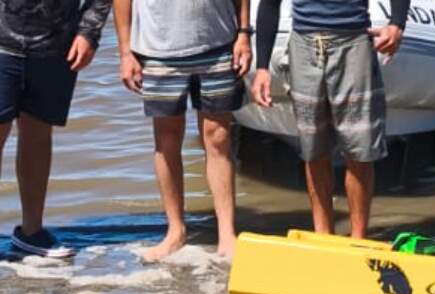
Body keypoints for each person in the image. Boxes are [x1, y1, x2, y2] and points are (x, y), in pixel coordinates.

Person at [252, 0, 409, 239]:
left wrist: (397, 23)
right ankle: (323, 236)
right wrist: (262, 67)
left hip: (353, 42)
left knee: (360, 151)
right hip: (304, 45)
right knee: (313, 150)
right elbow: (270, 4)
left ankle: (358, 239)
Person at [113, 0, 252, 261]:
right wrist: (125, 52)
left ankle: (226, 233)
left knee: (218, 138)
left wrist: (244, 33)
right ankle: (175, 231)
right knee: (167, 141)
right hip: (157, 49)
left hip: (219, 43)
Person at [0, 0, 112, 258]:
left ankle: (31, 232)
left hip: (56, 46)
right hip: (3, 43)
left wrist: (88, 33)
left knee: (38, 136)